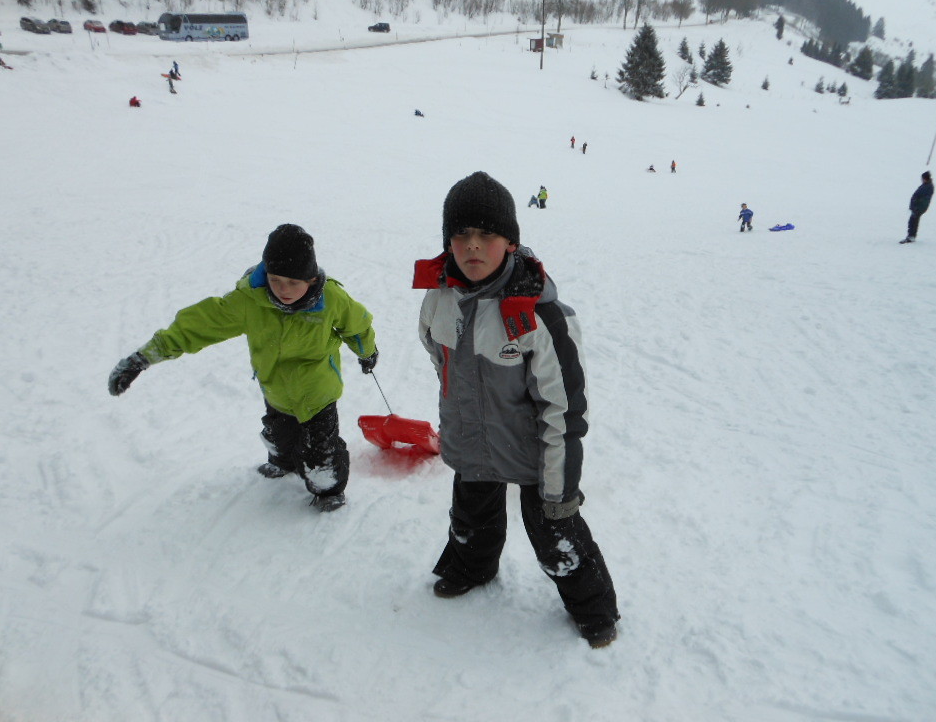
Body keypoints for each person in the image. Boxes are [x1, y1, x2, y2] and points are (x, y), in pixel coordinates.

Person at [413, 171, 621, 648]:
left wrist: (561, 485)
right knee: (470, 519)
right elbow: (434, 349)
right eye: (461, 234)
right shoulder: (439, 295)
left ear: (510, 242)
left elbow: (563, 408)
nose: (472, 246)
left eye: (486, 234)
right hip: (470, 439)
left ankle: (593, 607)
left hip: (533, 453)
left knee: (556, 535)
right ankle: (471, 568)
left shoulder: (539, 314)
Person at [107, 224, 378, 513]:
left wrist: (367, 352)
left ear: (311, 279)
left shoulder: (331, 300)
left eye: (293, 282)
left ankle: (328, 490)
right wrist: (143, 358)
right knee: (280, 436)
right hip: (275, 389)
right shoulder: (250, 301)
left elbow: (358, 325)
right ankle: (283, 462)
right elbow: (196, 326)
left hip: (318, 392)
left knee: (319, 454)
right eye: (276, 279)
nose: (284, 289)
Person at [900, 171, 934, 244]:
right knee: (913, 221)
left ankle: (911, 237)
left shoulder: (928, 187)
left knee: (913, 221)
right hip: (917, 207)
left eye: (922, 178)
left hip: (919, 207)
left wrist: (916, 204)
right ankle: (911, 236)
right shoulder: (926, 185)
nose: (921, 180)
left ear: (925, 178)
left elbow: (925, 199)